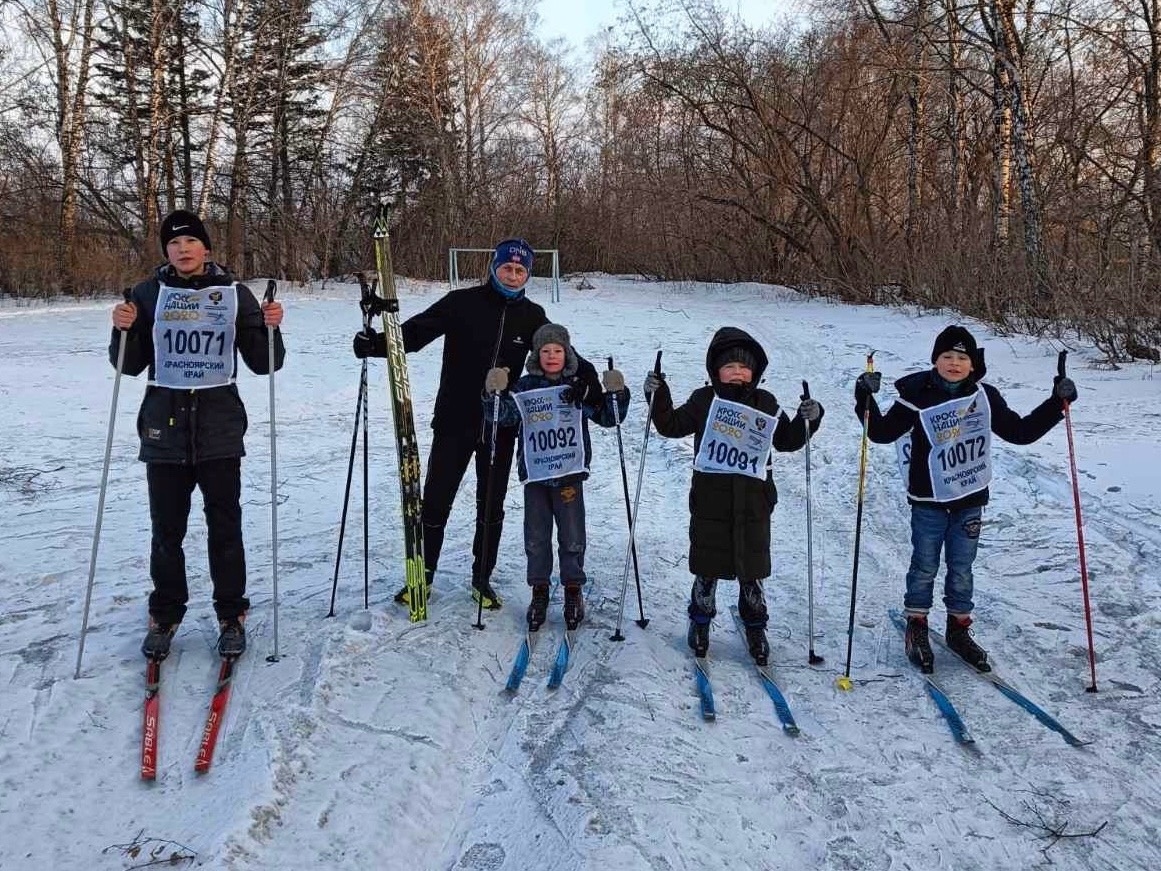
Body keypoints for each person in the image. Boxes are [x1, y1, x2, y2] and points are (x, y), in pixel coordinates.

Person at [354, 239, 602, 610]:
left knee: (491, 507)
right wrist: (375, 344)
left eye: (520, 271)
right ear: (494, 267)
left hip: (501, 426)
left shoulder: (533, 316)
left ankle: (481, 578)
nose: (513, 276)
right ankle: (423, 576)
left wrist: (588, 381)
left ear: (528, 275)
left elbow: (566, 355)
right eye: (507, 268)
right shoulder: (461, 303)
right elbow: (416, 333)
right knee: (436, 501)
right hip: (454, 419)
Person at [109, 209, 285, 661]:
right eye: (173, 243)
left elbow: (264, 364)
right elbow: (128, 365)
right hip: (163, 429)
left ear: (206, 248)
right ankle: (165, 615)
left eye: (190, 242)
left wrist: (270, 328)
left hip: (219, 428)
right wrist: (122, 328)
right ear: (165, 251)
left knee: (225, 526)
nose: (182, 249)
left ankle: (231, 614)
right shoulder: (149, 293)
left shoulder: (233, 293)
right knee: (167, 530)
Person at [853, 325, 1077, 673]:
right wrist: (863, 397)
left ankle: (959, 629)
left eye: (962, 358)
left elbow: (1020, 432)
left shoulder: (985, 397)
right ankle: (917, 624)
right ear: (935, 361)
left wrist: (1056, 403)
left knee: (961, 567)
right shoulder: (917, 395)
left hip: (970, 498)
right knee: (925, 565)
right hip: (928, 499)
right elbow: (882, 433)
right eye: (947, 356)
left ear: (973, 365)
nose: (954, 363)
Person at [643, 327, 823, 664]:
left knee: (751, 567)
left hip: (754, 502)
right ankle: (700, 619)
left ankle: (755, 623)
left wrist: (809, 419)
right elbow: (670, 425)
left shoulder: (765, 403)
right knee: (707, 565)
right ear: (715, 371)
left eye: (744, 367)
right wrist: (659, 395)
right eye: (730, 366)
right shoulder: (704, 400)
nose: (738, 372)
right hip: (711, 500)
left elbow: (786, 440)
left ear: (755, 372)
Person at [483, 324, 630, 630]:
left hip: (568, 475)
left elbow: (608, 417)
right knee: (536, 538)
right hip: (536, 476)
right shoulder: (524, 388)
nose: (552, 357)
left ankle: (573, 589)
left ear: (567, 354)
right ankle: (539, 590)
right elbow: (502, 416)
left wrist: (617, 394)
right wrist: (492, 393)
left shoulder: (576, 387)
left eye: (558, 351)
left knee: (572, 536)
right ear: (537, 355)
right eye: (545, 351)